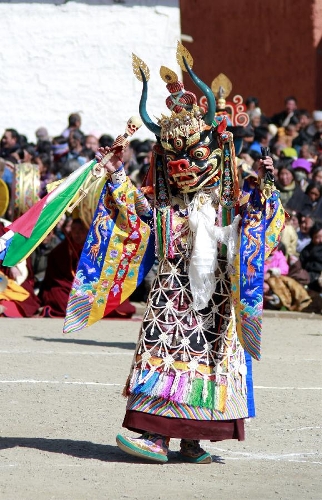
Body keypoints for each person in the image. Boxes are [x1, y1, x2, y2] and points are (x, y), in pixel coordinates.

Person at [65, 45, 284, 463]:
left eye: (196, 156)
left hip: (215, 303)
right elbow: (136, 213)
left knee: (209, 359)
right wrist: (114, 173)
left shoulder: (227, 206)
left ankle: (191, 439)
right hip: (172, 299)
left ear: (217, 156)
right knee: (162, 351)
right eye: (173, 158)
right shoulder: (166, 208)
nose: (184, 165)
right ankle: (155, 435)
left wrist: (265, 192)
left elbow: (258, 225)